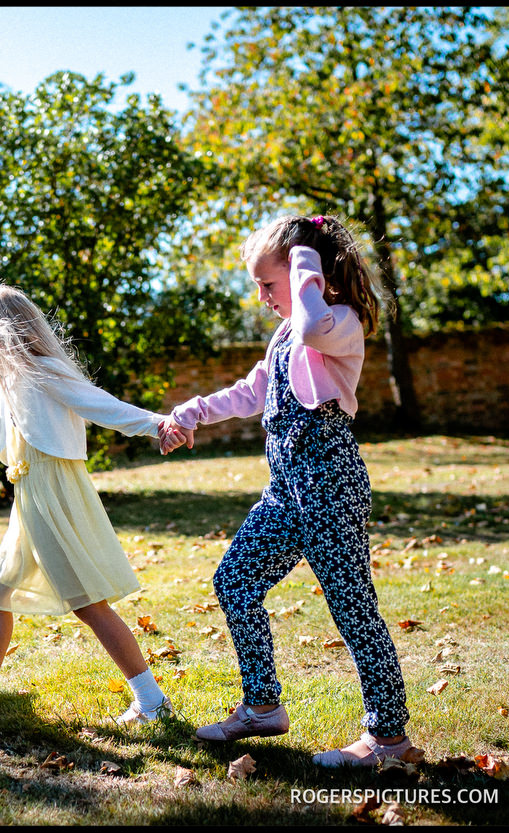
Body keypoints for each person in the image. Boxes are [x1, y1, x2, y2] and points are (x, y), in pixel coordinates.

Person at [159, 214, 419, 767]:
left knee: (353, 608)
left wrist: (305, 263)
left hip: (330, 485)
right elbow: (254, 389)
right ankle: (262, 706)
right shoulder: (285, 334)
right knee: (235, 580)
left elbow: (310, 327)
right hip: (285, 492)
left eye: (267, 284)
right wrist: (193, 412)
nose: (261, 297)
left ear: (307, 272)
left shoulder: (337, 322)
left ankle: (389, 739)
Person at [0, 285, 181, 724]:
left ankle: (151, 699)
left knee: (88, 603)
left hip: (54, 496)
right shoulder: (11, 385)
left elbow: (101, 405)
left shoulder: (44, 373)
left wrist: (156, 424)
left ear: (2, 336)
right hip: (30, 499)